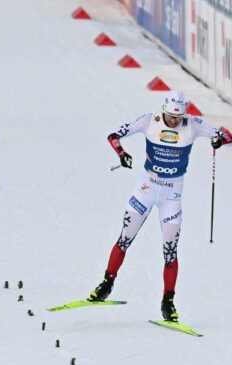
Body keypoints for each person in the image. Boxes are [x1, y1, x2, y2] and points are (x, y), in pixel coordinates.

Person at [87, 90, 232, 321]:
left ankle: (168, 302)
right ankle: (106, 284)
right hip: (145, 190)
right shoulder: (149, 120)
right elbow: (113, 135)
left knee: (170, 251)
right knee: (125, 238)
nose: (174, 121)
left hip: (171, 195)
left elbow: (227, 136)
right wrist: (121, 153)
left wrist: (219, 140)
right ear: (164, 109)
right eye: (170, 116)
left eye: (178, 117)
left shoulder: (193, 124)